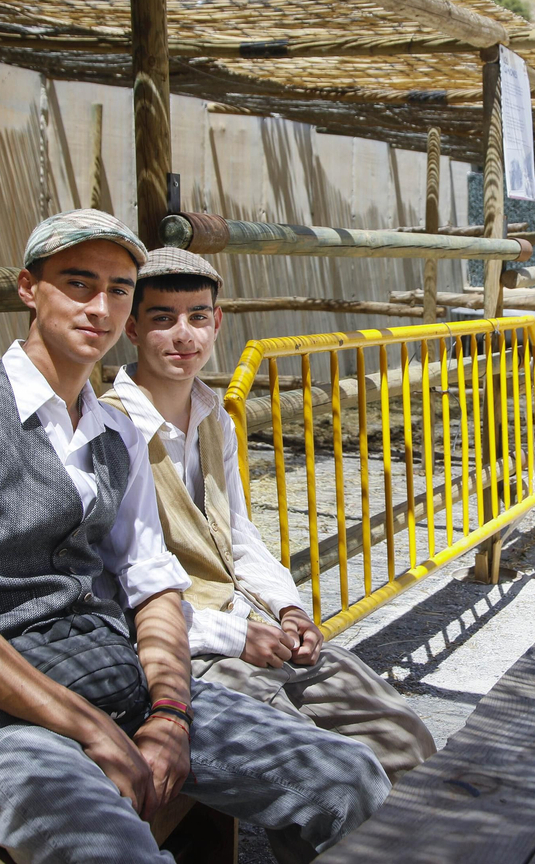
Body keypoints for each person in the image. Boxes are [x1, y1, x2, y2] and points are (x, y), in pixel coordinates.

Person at [0, 210, 388, 864]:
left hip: (129, 688)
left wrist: (169, 712)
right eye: (78, 284)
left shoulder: (114, 437)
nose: (100, 307)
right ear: (30, 288)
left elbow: (154, 586)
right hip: (7, 727)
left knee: (350, 778)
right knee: (115, 852)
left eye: (118, 289)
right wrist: (91, 729)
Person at [101, 248, 437, 783]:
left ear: (218, 323)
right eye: (162, 318)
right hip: (182, 651)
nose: (183, 335)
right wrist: (236, 636)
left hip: (249, 623)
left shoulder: (215, 419)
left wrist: (289, 609)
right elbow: (119, 592)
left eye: (198, 316)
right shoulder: (110, 433)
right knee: (327, 772)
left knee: (405, 738)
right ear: (133, 330)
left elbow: (238, 536)